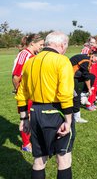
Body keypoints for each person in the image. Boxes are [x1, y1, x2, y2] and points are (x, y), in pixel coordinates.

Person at [15, 31, 75, 179]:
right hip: (57, 112)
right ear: (61, 45)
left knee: (39, 159)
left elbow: (21, 93)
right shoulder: (62, 61)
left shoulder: (30, 62)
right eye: (65, 47)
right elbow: (65, 94)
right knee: (63, 158)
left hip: (35, 112)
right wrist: (68, 120)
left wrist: (24, 118)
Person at [12, 34, 44, 152]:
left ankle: (32, 140)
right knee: (26, 117)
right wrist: (18, 90)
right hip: (25, 94)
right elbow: (16, 76)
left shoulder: (33, 55)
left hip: (33, 92)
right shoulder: (24, 54)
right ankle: (26, 144)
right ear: (32, 43)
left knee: (33, 117)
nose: (42, 47)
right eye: (40, 44)